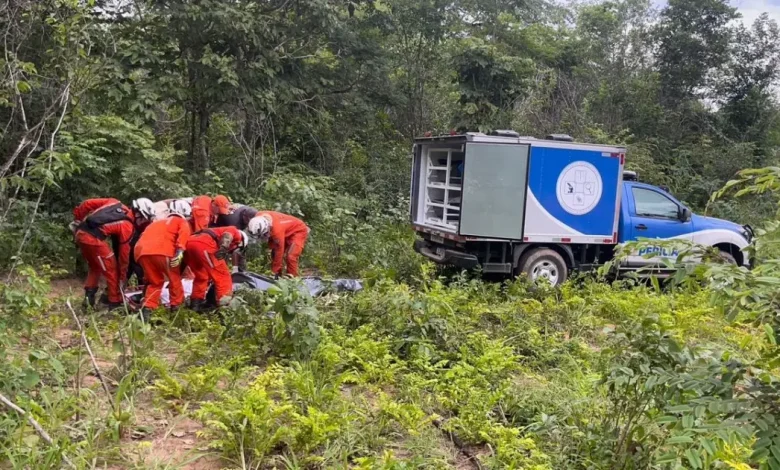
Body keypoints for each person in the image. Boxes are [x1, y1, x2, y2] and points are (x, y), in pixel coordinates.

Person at [71, 198, 135, 310]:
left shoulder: (114, 202)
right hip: (93, 239)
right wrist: (123, 276)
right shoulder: (127, 225)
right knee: (112, 269)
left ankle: (88, 300)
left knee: (95, 267)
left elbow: (87, 203)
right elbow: (124, 255)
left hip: (80, 233)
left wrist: (78, 219)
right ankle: (114, 302)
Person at [133, 200, 192, 321]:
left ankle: (147, 310)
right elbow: (184, 235)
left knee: (154, 282)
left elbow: (142, 238)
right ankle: (176, 310)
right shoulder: (181, 221)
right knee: (174, 280)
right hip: (163, 252)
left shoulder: (156, 223)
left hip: (142, 253)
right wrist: (180, 251)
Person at [185, 227, 248, 311]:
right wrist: (224, 247)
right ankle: (225, 306)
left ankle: (196, 304)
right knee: (223, 276)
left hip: (189, 242)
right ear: (240, 243)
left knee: (201, 276)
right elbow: (227, 235)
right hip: (204, 243)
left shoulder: (218, 233)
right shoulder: (237, 234)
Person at [246, 211, 309, 277]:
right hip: (284, 230)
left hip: (298, 230)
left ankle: (293, 278)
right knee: (274, 253)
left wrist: (274, 272)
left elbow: (279, 252)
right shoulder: (258, 217)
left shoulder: (276, 230)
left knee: (290, 256)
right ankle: (279, 276)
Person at [213, 203, 259, 272]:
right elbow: (234, 247)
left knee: (242, 248)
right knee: (224, 252)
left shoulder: (250, 212)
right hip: (219, 231)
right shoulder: (234, 222)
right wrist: (235, 268)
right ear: (244, 217)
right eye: (249, 221)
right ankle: (222, 270)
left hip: (232, 231)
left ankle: (241, 271)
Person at [127, 198, 157, 284]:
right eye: (143, 218)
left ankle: (142, 283)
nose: (144, 220)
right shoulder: (127, 221)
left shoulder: (146, 221)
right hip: (127, 245)